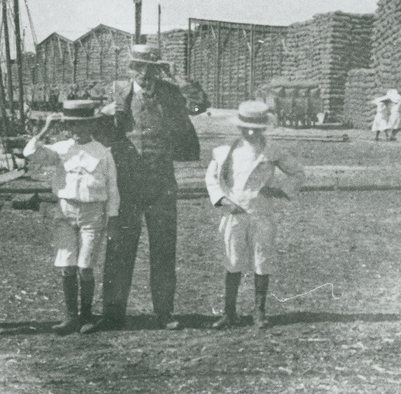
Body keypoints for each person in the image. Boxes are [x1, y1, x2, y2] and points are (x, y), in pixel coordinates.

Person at [86, 41, 200, 332]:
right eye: (138, 67)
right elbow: (94, 132)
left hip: (162, 185)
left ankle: (164, 313)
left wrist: (177, 80)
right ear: (130, 68)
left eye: (150, 68)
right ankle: (113, 314)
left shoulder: (171, 94)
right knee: (120, 248)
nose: (144, 75)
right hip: (126, 185)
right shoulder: (116, 93)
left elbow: (195, 113)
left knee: (163, 248)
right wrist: (102, 113)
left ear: (157, 70)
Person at [205, 100, 304, 330]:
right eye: (246, 128)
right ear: (239, 128)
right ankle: (229, 312)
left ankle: (259, 312)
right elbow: (212, 178)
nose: (250, 133)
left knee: (262, 260)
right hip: (236, 214)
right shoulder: (226, 151)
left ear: (262, 128)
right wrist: (223, 200)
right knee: (233, 261)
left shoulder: (272, 152)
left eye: (256, 128)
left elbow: (297, 172)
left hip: (261, 213)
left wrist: (279, 190)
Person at [23, 101, 120, 335]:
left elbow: (113, 189)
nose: (77, 130)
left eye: (83, 125)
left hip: (92, 214)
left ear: (92, 125)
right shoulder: (61, 149)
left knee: (85, 266)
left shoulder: (103, 152)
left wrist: (113, 218)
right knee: (67, 265)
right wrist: (44, 130)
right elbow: (30, 153)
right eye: (72, 125)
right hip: (65, 212)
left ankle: (86, 315)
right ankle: (70, 316)